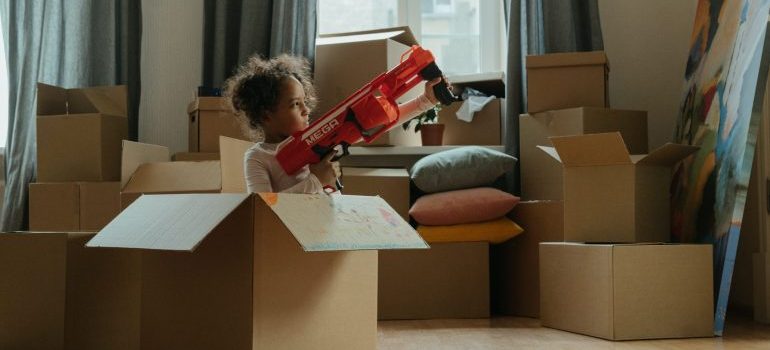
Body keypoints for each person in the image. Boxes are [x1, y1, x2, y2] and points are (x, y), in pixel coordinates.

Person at [224, 54, 442, 194]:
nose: (305, 109)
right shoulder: (257, 158)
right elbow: (263, 210)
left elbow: (372, 122)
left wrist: (424, 102)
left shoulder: (318, 136)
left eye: (304, 102)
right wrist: (316, 180)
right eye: (294, 104)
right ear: (266, 116)